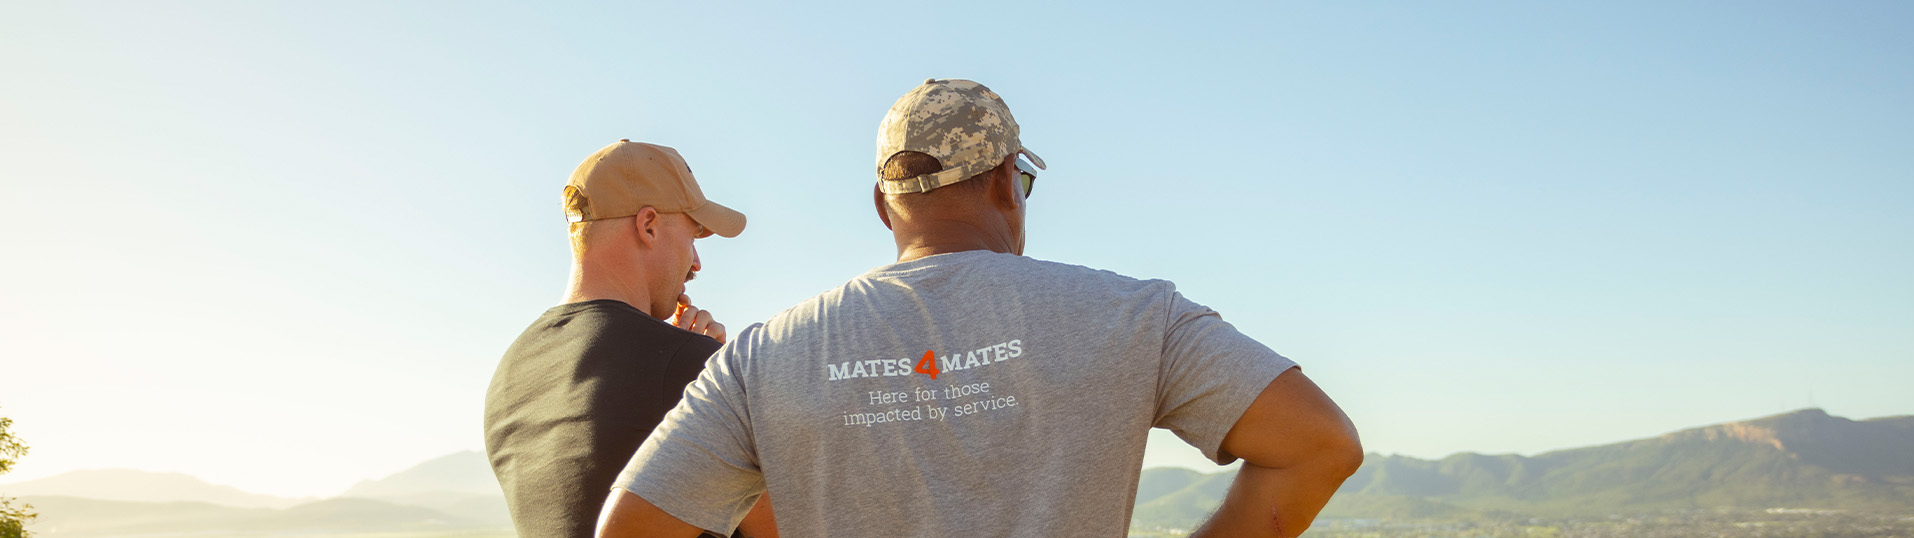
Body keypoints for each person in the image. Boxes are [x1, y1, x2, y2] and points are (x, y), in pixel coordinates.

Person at [597, 80, 1363, 538]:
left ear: (881, 206)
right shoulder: (1134, 315)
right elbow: (1320, 445)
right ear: (1005, 184)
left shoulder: (765, 356)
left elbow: (628, 529)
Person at [485, 140, 774, 538]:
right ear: (648, 225)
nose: (696, 263)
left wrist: (679, 357)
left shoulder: (511, 370)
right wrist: (713, 373)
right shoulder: (693, 368)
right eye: (693, 237)